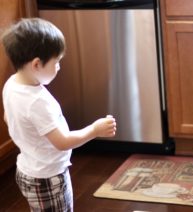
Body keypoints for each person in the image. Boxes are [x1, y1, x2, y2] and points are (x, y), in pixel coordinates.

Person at [1, 18, 117, 211]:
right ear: (36, 64)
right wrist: (94, 130)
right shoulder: (37, 102)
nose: (59, 67)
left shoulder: (12, 84)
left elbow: (8, 117)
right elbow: (62, 142)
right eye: (57, 62)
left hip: (27, 169)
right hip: (48, 177)